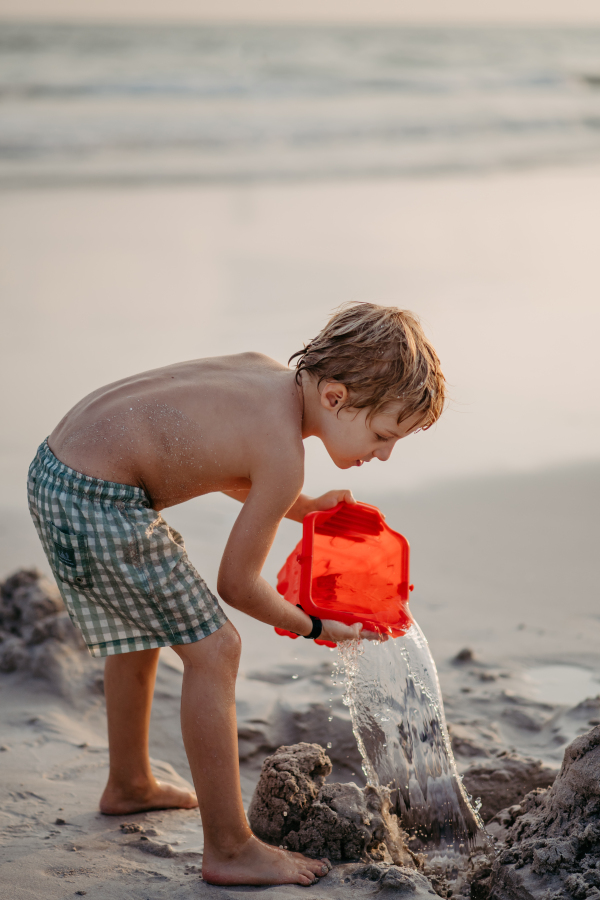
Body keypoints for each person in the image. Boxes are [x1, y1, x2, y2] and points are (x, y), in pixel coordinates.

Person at [27, 302, 445, 886]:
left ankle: (129, 783)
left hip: (58, 469)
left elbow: (212, 457)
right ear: (335, 397)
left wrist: (297, 509)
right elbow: (237, 586)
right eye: (382, 434)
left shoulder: (263, 373)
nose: (384, 454)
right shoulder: (284, 454)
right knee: (216, 649)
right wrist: (317, 627)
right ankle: (229, 848)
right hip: (99, 498)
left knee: (142, 624)